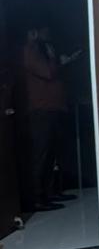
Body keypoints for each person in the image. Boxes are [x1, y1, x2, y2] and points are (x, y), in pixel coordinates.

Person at [20, 26, 81, 212]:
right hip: (41, 110)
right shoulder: (30, 50)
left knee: (53, 155)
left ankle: (50, 192)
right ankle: (37, 198)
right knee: (42, 155)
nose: (49, 33)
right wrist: (60, 61)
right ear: (34, 32)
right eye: (44, 30)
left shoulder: (45, 48)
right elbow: (47, 72)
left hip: (54, 108)